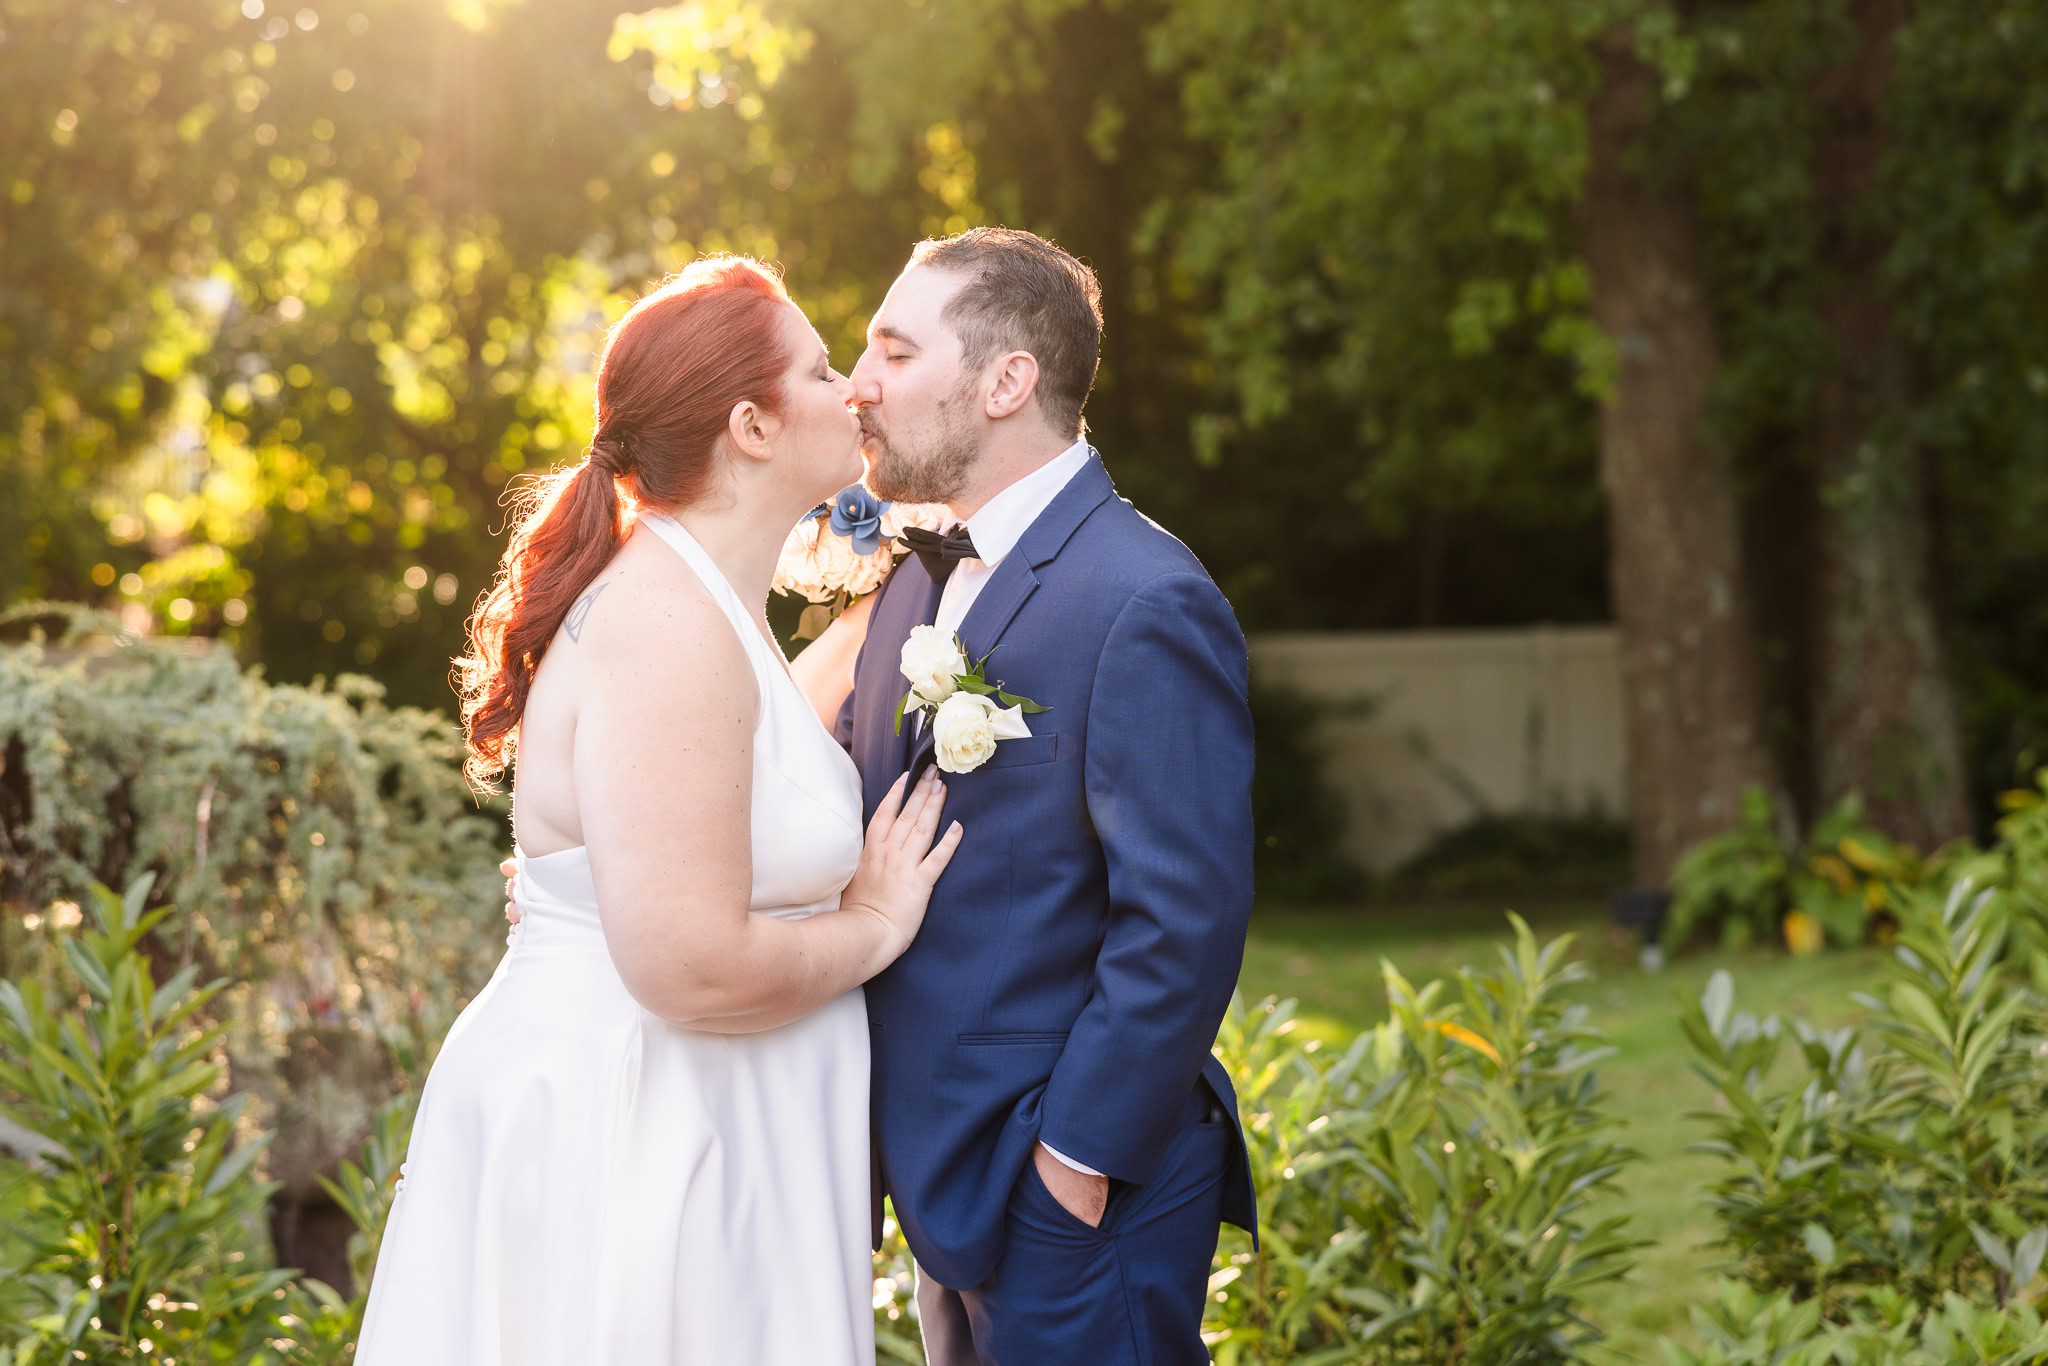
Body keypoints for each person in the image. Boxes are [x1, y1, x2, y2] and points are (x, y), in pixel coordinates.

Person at [354, 253, 963, 1365]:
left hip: (705, 1109)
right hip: (641, 1126)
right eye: (826, 372)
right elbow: (688, 967)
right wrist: (872, 927)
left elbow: (757, 745)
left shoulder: (704, 602)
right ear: (753, 428)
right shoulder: (665, 625)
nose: (857, 391)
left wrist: (891, 599)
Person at [827, 228, 1257, 1365]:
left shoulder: (1141, 597)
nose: (857, 384)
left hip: (1068, 1196)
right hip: (944, 1187)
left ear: (1005, 380)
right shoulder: (910, 587)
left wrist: (1073, 1162)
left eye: (893, 352)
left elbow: (1183, 917)